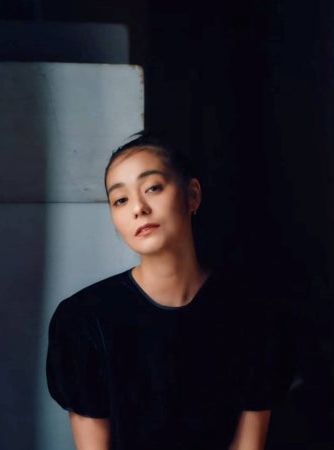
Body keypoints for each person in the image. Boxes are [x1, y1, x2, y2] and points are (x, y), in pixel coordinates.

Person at [46, 131, 288, 450]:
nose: (138, 208)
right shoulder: (83, 319)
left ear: (192, 195)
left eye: (152, 188)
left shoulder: (254, 312)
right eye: (120, 200)